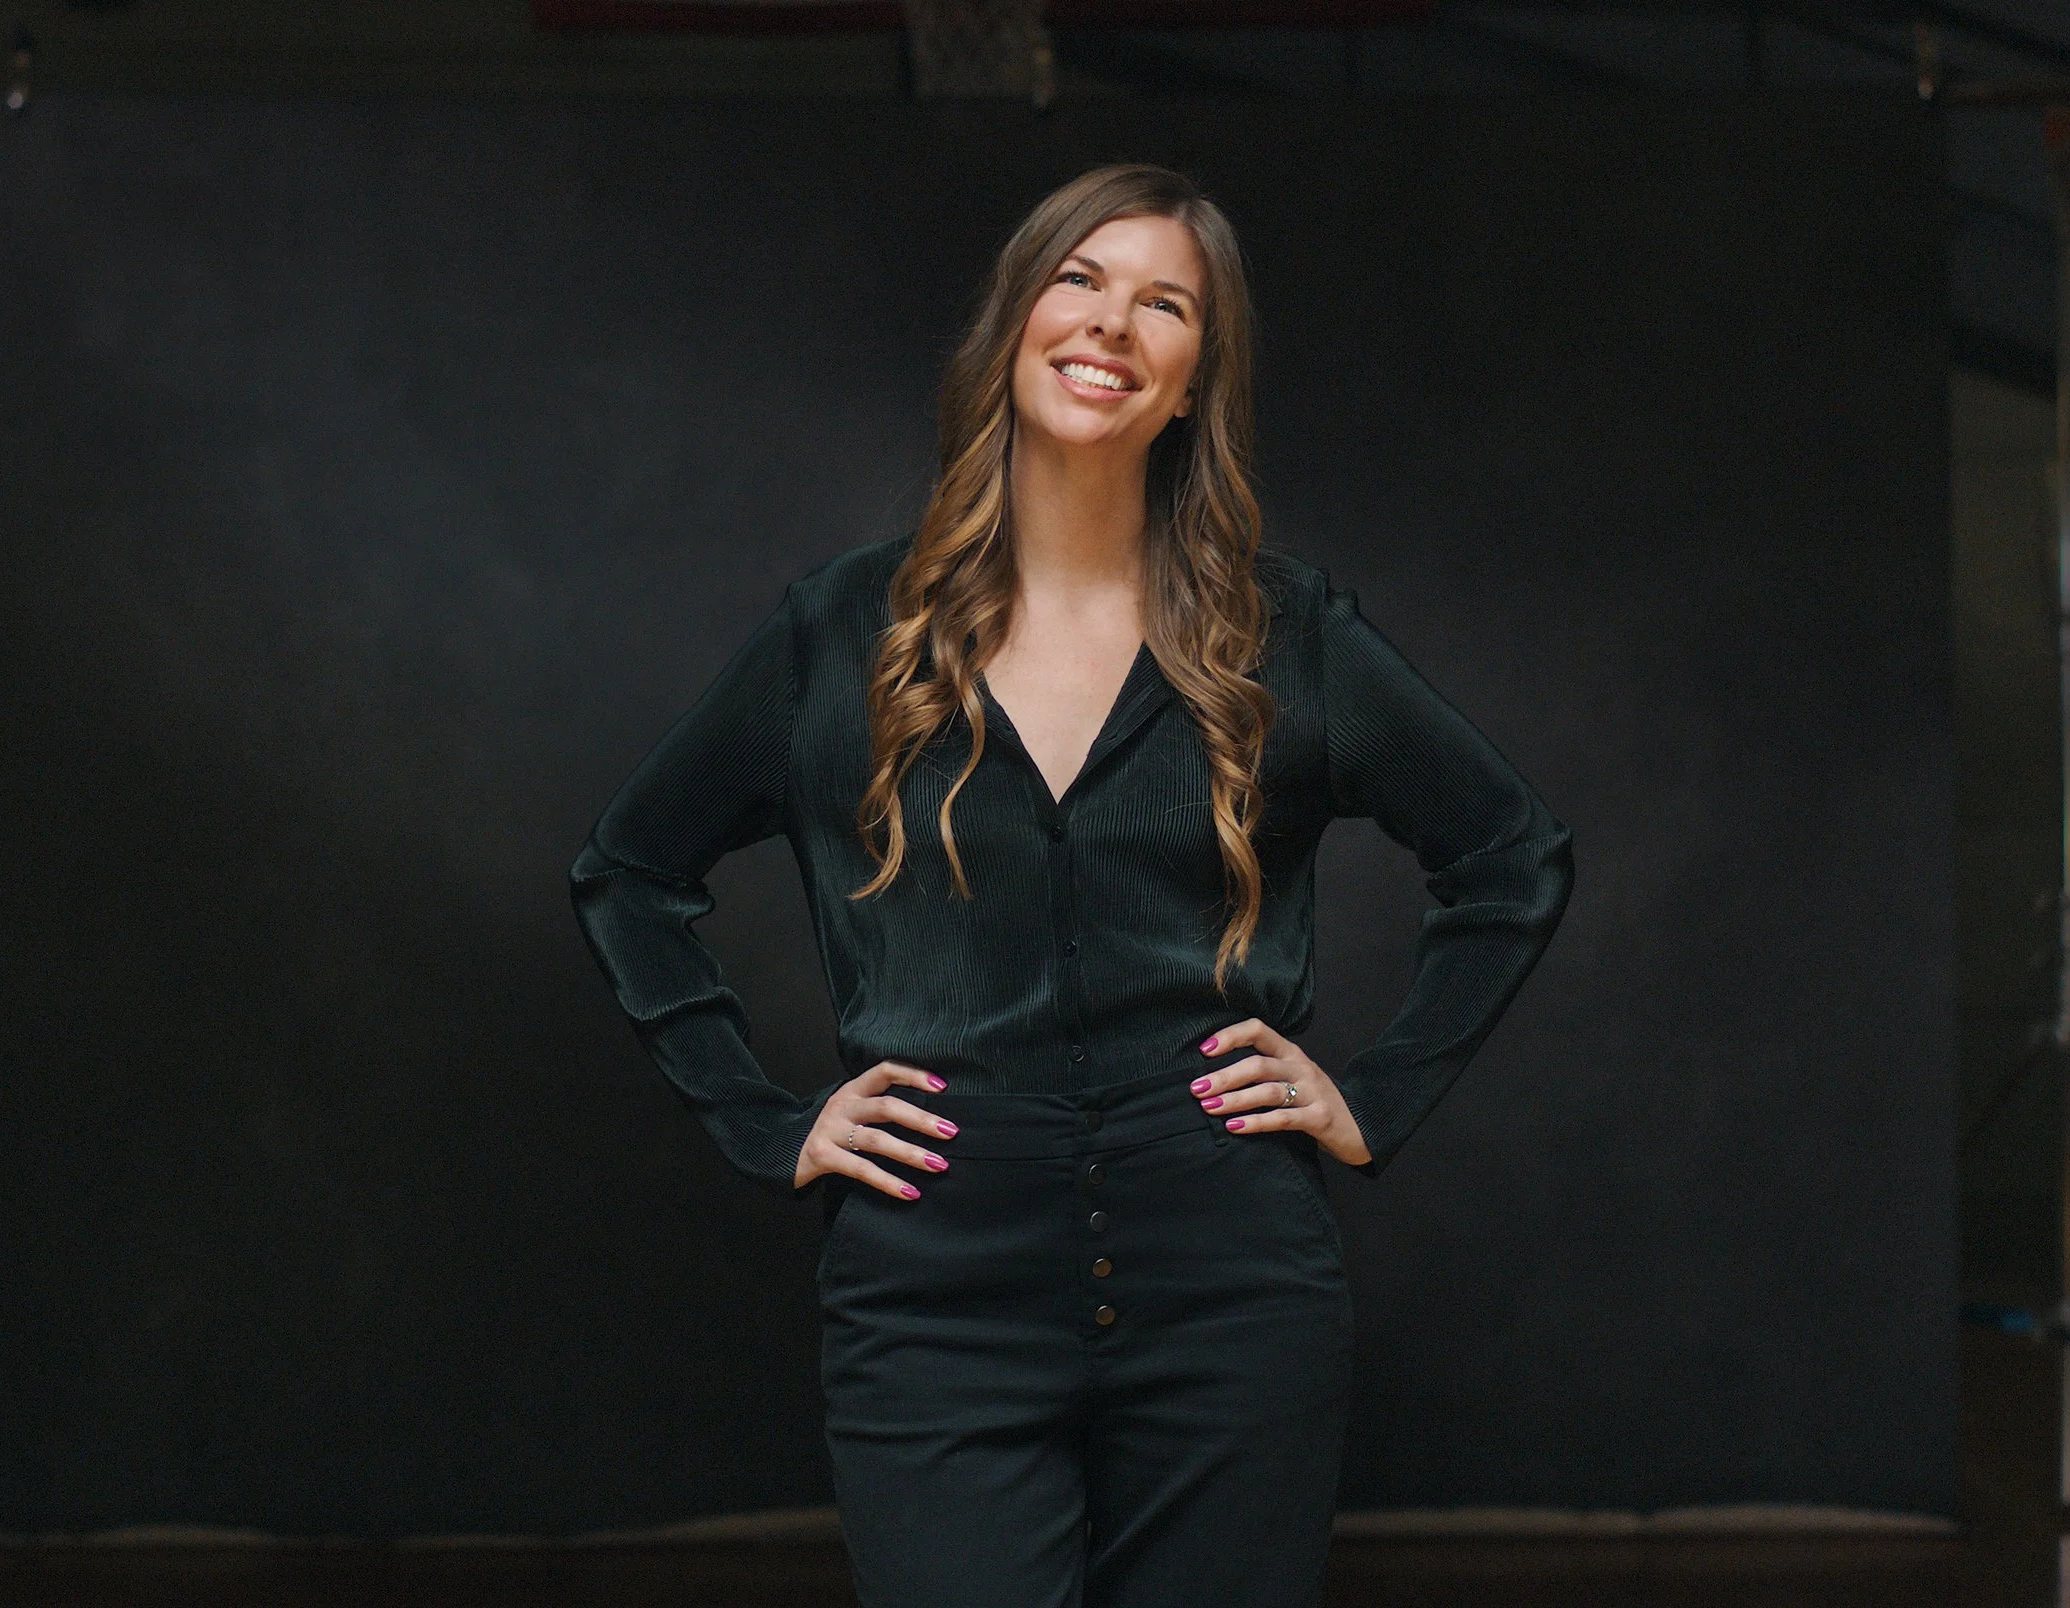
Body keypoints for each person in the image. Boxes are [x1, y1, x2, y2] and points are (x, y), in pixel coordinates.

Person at [569, 163, 1573, 1608]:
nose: (1114, 323)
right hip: (931, 1289)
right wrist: (763, 1119)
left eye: (1166, 305)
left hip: (1232, 1281)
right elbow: (628, 871)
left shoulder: (1283, 635)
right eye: (1080, 279)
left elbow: (1512, 855)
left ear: (1188, 388)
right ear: (1013, 326)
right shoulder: (840, 631)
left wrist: (1376, 1098)